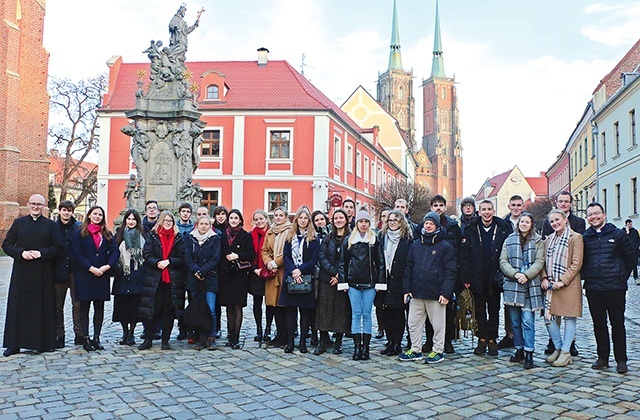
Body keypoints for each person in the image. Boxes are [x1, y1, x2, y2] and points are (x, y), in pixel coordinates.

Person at [2, 194, 62, 357]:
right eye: (33, 204)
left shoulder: (50, 225)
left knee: (43, 307)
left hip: (43, 273)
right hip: (22, 272)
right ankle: (14, 344)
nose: (36, 207)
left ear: (44, 206)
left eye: (39, 204)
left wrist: (40, 253)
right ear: (28, 205)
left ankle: (43, 343)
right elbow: (6, 245)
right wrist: (21, 253)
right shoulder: (19, 223)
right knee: (18, 308)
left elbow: (57, 247)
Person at [582, 203, 636, 374]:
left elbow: (631, 257)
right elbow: (582, 261)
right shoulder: (585, 237)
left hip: (615, 287)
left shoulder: (618, 234)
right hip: (593, 288)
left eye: (596, 213)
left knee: (617, 324)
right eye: (590, 214)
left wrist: (622, 277)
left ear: (604, 215)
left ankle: (621, 359)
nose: (594, 217)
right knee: (599, 324)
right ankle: (602, 357)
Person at [399, 211, 456, 364]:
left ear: (436, 225)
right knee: (413, 323)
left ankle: (438, 351)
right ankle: (415, 349)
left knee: (438, 325)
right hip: (416, 292)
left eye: (431, 223)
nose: (428, 226)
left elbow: (450, 272)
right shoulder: (416, 244)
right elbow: (408, 268)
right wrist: (406, 289)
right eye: (426, 223)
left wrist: (446, 292)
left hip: (436, 293)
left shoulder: (445, 246)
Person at [459, 200, 511, 356]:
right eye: (483, 210)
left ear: (493, 211)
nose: (487, 212)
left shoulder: (502, 228)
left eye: (489, 209)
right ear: (479, 212)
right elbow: (464, 256)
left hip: (495, 276)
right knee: (479, 311)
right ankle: (482, 338)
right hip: (477, 276)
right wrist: (465, 278)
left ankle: (492, 339)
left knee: (494, 310)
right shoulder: (471, 229)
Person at [541, 191, 585, 357]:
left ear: (565, 220)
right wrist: (544, 277)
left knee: (569, 317)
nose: (554, 223)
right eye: (552, 221)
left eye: (557, 220)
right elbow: (542, 259)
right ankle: (558, 347)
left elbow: (576, 263)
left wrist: (563, 281)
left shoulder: (576, 237)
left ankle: (566, 350)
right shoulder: (549, 239)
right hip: (551, 284)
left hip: (568, 282)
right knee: (549, 318)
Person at [499, 212, 545, 369]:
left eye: (527, 222)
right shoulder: (509, 239)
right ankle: (519, 349)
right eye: (522, 221)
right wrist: (515, 274)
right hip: (513, 285)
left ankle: (529, 352)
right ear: (518, 224)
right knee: (515, 322)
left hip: (530, 287)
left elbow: (540, 261)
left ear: (531, 224)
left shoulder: (538, 240)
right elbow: (503, 261)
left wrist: (526, 275)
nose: (524, 224)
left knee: (527, 321)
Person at [71, 206, 119, 352]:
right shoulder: (79, 233)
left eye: (100, 214)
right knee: (84, 307)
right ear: (89, 216)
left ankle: (97, 337)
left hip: (102, 275)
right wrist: (90, 268)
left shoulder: (107, 234)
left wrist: (107, 266)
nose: (97, 217)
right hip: (85, 274)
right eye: (95, 214)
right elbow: (76, 253)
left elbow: (114, 251)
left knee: (99, 308)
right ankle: (85, 338)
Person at [340, 209, 384, 361]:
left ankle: (365, 348)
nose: (363, 224)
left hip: (370, 283)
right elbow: (343, 263)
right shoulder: (349, 240)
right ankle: (357, 347)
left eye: (366, 221)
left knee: (366, 315)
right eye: (361, 221)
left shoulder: (374, 240)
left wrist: (380, 283)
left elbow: (380, 263)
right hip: (353, 282)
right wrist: (343, 281)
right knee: (355, 314)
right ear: (357, 223)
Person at [138, 211, 186, 351]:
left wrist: (169, 261)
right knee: (153, 310)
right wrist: (157, 262)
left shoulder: (179, 238)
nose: (168, 222)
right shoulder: (153, 236)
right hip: (155, 279)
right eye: (165, 220)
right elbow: (147, 254)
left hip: (172, 280)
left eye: (170, 220)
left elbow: (182, 257)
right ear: (160, 221)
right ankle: (148, 339)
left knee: (169, 311)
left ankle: (165, 340)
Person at [424, 195, 461, 354]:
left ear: (445, 207)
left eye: (441, 205)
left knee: (447, 310)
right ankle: (429, 340)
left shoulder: (453, 227)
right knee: (428, 312)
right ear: (431, 207)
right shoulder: (424, 226)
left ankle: (447, 341)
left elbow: (460, 250)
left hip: (447, 273)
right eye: (435, 205)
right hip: (429, 276)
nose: (438, 208)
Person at [281, 207, 319, 353]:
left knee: (305, 312)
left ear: (308, 220)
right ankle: (290, 342)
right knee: (290, 312)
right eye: (300, 218)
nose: (303, 221)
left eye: (305, 218)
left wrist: (300, 270)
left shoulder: (313, 237)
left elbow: (313, 258)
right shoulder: (290, 236)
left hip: (306, 277)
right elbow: (286, 256)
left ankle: (303, 342)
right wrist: (293, 271)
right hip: (291, 277)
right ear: (296, 220)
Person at [315, 209, 352, 355]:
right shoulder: (328, 238)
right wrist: (333, 272)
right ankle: (323, 341)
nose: (338, 220)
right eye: (336, 218)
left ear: (346, 220)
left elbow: (352, 258)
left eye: (341, 218)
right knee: (324, 310)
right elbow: (322, 256)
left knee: (340, 311)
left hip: (343, 280)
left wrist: (339, 275)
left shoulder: (351, 237)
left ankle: (338, 342)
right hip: (327, 278)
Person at [376, 210, 412, 357]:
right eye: (389, 220)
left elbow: (409, 263)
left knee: (397, 313)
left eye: (395, 220)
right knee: (385, 312)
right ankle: (390, 341)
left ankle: (397, 343)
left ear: (401, 222)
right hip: (384, 280)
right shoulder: (382, 237)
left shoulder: (407, 240)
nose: (392, 222)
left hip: (399, 280)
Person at [218, 209, 254, 349]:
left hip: (239, 275)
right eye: (231, 218)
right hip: (226, 275)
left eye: (236, 218)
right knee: (228, 307)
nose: (233, 220)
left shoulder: (245, 236)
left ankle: (236, 338)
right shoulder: (222, 236)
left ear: (240, 220)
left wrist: (237, 255)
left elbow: (250, 254)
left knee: (237, 306)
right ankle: (230, 335)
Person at [184, 216, 221, 350]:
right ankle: (201, 337)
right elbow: (187, 257)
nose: (204, 226)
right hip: (194, 278)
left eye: (206, 224)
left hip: (210, 277)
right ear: (197, 225)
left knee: (210, 309)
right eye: (202, 224)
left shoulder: (215, 239)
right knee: (198, 309)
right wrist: (196, 271)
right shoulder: (190, 238)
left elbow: (215, 258)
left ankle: (211, 337)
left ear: (210, 226)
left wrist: (203, 271)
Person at [112, 209, 146, 346]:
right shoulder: (118, 235)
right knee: (122, 306)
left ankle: (131, 333)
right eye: (129, 219)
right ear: (125, 220)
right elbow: (114, 252)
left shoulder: (143, 236)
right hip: (122, 274)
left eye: (133, 219)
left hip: (138, 273)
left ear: (137, 221)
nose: (131, 222)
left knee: (134, 307)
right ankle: (124, 331)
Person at [496, 195, 525, 350]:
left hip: (525, 269)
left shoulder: (527, 221)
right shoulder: (503, 224)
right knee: (509, 304)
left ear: (523, 206)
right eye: (513, 205)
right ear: (509, 206)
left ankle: (524, 336)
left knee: (525, 304)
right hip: (508, 268)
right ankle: (510, 334)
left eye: (518, 205)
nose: (516, 208)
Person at [52, 200, 82, 347]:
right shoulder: (53, 227)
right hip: (59, 271)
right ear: (59, 211)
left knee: (78, 305)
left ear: (72, 212)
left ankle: (79, 334)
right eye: (64, 210)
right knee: (57, 306)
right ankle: (59, 335)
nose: (66, 213)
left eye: (69, 210)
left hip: (76, 272)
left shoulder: (78, 227)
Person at [262, 206, 293, 348]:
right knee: (274, 306)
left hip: (283, 272)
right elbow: (264, 250)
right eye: (276, 215)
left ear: (286, 217)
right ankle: (279, 335)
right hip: (272, 273)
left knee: (284, 305)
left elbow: (289, 251)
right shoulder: (270, 231)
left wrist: (276, 262)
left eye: (281, 215)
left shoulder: (290, 230)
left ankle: (287, 336)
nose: (278, 217)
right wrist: (268, 262)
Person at [250, 210, 271, 343]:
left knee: (269, 303)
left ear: (266, 219)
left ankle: (268, 329)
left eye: (261, 218)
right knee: (257, 302)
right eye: (256, 219)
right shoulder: (250, 235)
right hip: (256, 272)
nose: (259, 221)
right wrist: (254, 269)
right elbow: (249, 253)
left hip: (270, 272)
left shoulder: (272, 233)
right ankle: (259, 329)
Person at [624, 219, 639, 284]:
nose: (630, 225)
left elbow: (638, 240)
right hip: (626, 253)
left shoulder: (635, 231)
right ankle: (625, 279)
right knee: (627, 266)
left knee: (635, 265)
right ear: (626, 225)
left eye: (630, 224)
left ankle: (636, 278)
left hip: (634, 251)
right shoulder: (623, 231)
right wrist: (627, 232)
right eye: (628, 224)